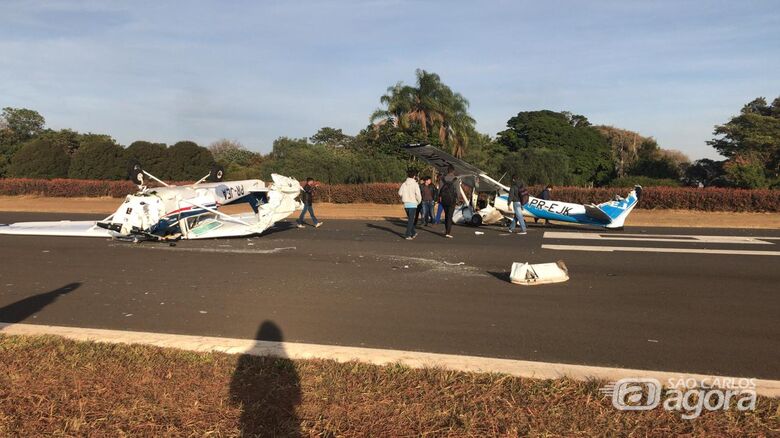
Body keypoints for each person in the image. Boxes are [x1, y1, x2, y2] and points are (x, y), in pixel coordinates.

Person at [398, 169, 422, 240]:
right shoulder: (415, 184)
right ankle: (407, 235)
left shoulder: (404, 184)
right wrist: (418, 201)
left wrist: (405, 197)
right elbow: (418, 195)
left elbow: (399, 193)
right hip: (413, 204)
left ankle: (413, 232)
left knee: (410, 220)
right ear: (414, 176)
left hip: (406, 204)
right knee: (410, 221)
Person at [438, 165, 458, 238]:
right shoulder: (455, 179)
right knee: (450, 216)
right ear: (453, 171)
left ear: (447, 171)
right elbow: (457, 191)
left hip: (444, 200)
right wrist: (458, 199)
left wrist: (439, 198)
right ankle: (448, 232)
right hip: (452, 200)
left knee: (446, 215)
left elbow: (439, 190)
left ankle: (446, 230)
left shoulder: (442, 179)